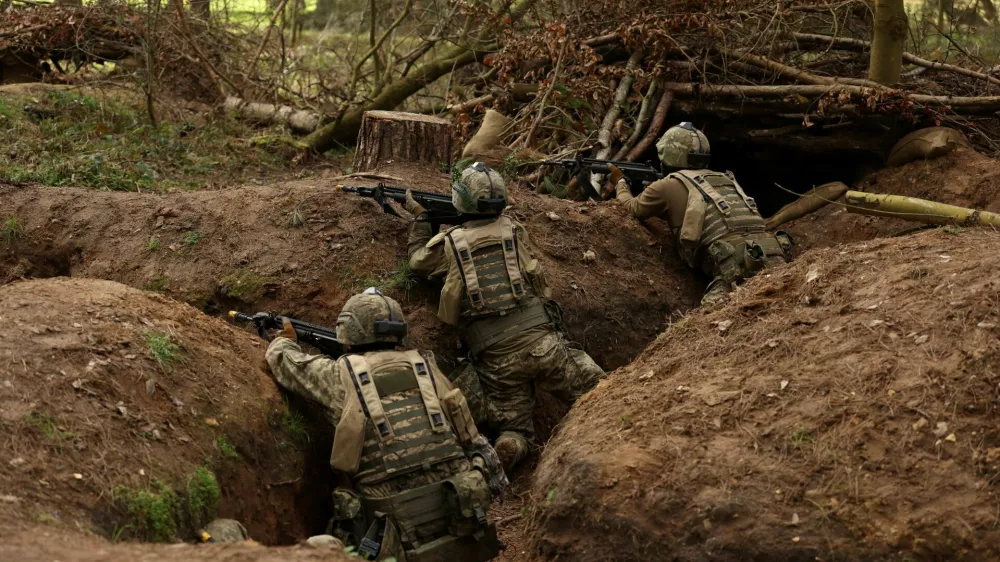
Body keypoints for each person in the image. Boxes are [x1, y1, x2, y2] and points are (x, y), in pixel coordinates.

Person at [265, 288, 506, 562]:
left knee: (318, 546)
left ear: (348, 330)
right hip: (461, 526)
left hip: (392, 541)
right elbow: (472, 438)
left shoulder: (340, 376)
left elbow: (282, 360)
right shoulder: (427, 367)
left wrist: (284, 338)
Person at [405, 162, 604, 472]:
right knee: (597, 389)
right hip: (544, 343)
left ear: (460, 201)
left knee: (513, 424)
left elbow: (418, 263)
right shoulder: (514, 230)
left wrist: (422, 219)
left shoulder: (449, 245)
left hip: (497, 358)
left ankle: (512, 442)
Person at [609, 122, 794, 306]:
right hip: (773, 254)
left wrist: (620, 182)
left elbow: (632, 208)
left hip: (737, 267)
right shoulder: (724, 178)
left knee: (708, 320)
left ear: (669, 153)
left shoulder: (666, 185)